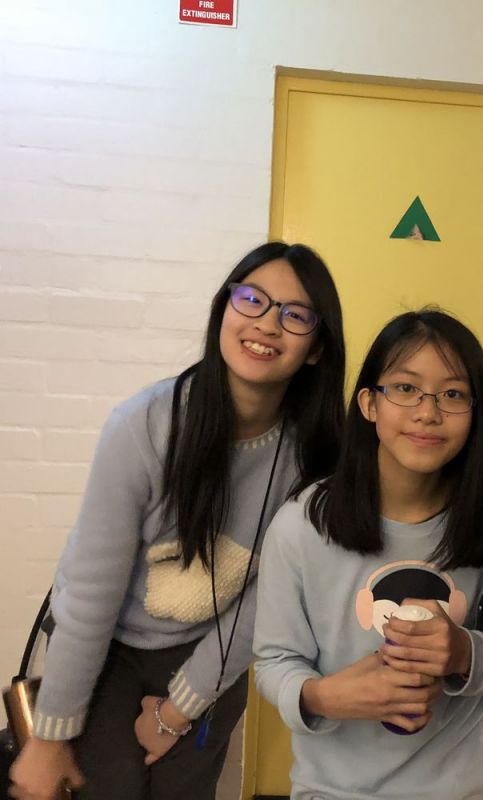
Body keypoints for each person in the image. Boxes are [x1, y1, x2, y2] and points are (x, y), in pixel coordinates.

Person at [9, 242, 346, 800]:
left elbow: (267, 599)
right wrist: (50, 736)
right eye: (252, 299)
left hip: (210, 648)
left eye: (295, 314)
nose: (267, 323)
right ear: (224, 309)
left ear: (316, 349)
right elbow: (92, 593)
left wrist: (179, 707)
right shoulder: (143, 426)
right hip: (109, 645)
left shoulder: (314, 458)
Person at [253, 309, 483, 800]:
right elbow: (274, 660)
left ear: (476, 413)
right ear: (369, 404)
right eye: (405, 388)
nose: (428, 412)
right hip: (336, 790)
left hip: (477, 788)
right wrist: (325, 696)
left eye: (453, 394)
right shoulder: (301, 526)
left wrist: (462, 651)